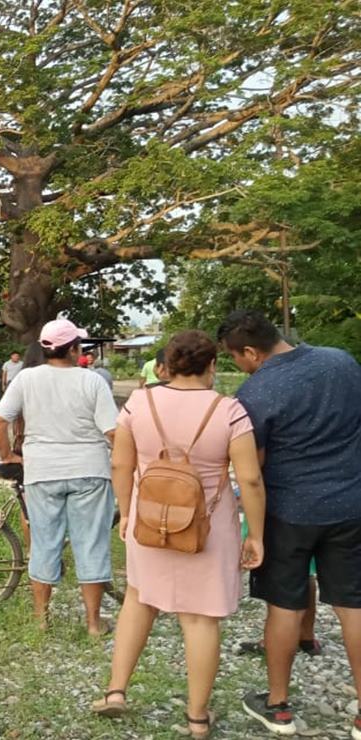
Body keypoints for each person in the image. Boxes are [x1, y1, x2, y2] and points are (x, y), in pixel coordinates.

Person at [91, 330, 266, 738]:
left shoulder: (139, 402)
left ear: (165, 365)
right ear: (212, 366)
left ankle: (116, 692)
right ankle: (197, 718)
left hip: (148, 519)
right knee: (200, 618)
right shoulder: (229, 410)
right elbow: (251, 480)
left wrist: (127, 514)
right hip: (207, 528)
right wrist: (254, 533)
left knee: (138, 599)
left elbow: (120, 465)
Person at [215, 310, 361, 738]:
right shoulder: (341, 361)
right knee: (353, 604)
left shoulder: (255, 392)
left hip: (289, 512)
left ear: (251, 352)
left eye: (235, 358)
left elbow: (253, 467)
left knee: (285, 604)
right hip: (351, 505)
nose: (237, 366)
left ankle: (278, 705)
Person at [0, 318, 118, 636]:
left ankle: (41, 620)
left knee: (45, 544)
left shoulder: (26, 379)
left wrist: (8, 455)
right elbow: (113, 432)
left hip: (42, 472)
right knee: (91, 544)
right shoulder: (93, 382)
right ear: (74, 349)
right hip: (89, 471)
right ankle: (93, 623)